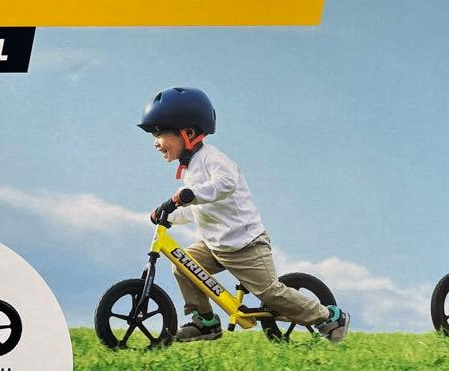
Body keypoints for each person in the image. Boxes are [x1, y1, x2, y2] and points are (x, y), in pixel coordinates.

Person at [138, 86, 349, 343]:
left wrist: (188, 194)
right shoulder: (191, 168)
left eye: (160, 133)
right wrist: (169, 215)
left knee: (270, 293)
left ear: (188, 133)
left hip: (245, 245)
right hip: (216, 245)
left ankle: (329, 317)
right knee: (183, 266)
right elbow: (199, 209)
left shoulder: (213, 159)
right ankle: (205, 321)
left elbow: (225, 185)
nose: (155, 142)